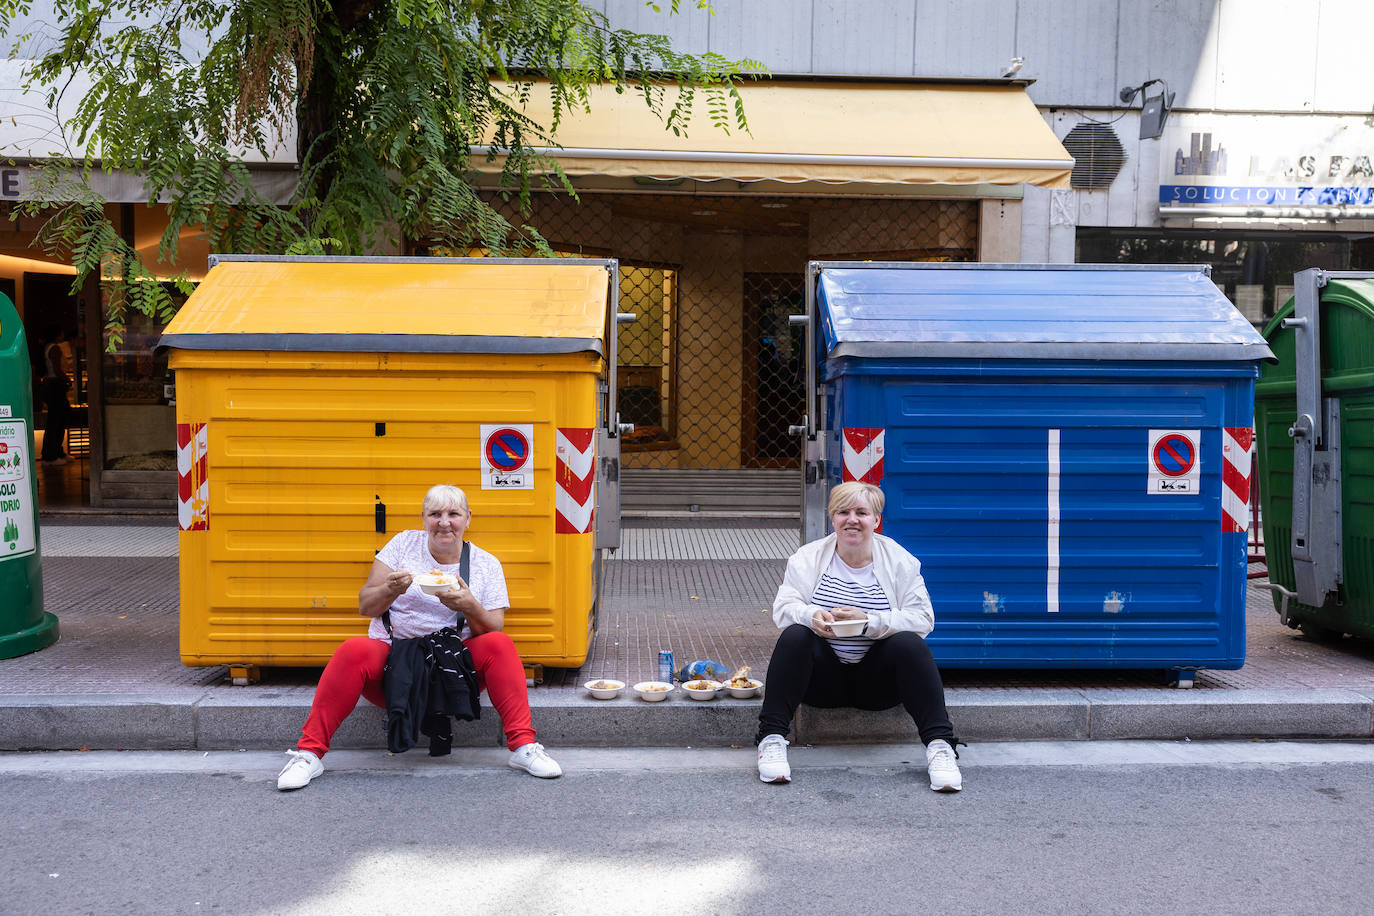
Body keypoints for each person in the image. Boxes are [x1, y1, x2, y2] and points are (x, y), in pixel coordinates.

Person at [276, 484, 562, 790]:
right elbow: (365, 605)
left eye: (453, 514)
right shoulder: (401, 545)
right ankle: (309, 754)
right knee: (353, 649)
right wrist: (390, 589)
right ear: (423, 518)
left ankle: (523, 747)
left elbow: (494, 627)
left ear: (467, 519)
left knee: (500, 645)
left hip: (453, 673)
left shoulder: (485, 563)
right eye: (435, 514)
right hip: (395, 666)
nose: (444, 522)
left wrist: (469, 605)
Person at [754, 481, 963, 792]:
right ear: (832, 518)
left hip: (877, 684)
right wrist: (812, 615)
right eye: (843, 512)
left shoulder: (899, 560)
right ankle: (771, 739)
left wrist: (869, 622)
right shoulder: (808, 557)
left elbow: (923, 619)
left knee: (909, 643)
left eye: (862, 512)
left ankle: (940, 747)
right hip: (820, 681)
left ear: (876, 520)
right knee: (796, 636)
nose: (852, 519)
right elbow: (783, 608)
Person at [39, 330, 72, 465]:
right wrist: (67, 380)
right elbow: (57, 369)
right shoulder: (55, 348)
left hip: (51, 385)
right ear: (58, 334)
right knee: (57, 420)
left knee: (57, 419)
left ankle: (55, 453)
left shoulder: (48, 347)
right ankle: (51, 456)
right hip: (55, 386)